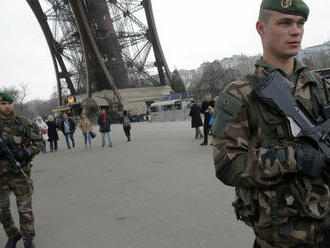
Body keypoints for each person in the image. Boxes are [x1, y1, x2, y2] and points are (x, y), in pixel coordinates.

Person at [212, 1, 330, 247]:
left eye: (300, 24)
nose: (295, 31)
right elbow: (227, 165)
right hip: (280, 237)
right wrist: (294, 157)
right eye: (285, 23)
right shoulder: (240, 94)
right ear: (261, 28)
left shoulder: (321, 87)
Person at [0, 92, 44, 248]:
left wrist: (25, 152)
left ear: (13, 104)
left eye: (9, 103)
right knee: (2, 211)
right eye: (3, 103)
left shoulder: (23, 122)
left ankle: (28, 238)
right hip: (0, 177)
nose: (6, 106)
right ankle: (13, 235)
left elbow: (39, 143)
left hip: (20, 174)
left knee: (24, 210)